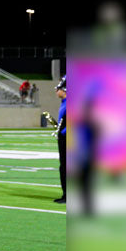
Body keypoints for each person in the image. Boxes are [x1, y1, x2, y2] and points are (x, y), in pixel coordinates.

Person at [54, 76, 67, 204]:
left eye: (58, 88)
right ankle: (65, 194)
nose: (56, 91)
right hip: (63, 138)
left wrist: (63, 131)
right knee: (63, 167)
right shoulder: (64, 103)